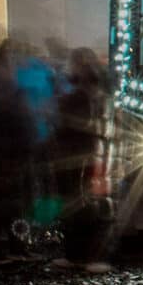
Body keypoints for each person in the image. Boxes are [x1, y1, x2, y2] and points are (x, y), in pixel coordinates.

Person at [50, 49, 114, 273]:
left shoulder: (77, 99)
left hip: (80, 157)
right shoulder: (102, 99)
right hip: (89, 156)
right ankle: (85, 255)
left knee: (85, 207)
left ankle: (84, 255)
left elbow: (66, 125)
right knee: (87, 206)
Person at [0, 48, 36, 266]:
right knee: (15, 203)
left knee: (2, 203)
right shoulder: (8, 94)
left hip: (1, 153)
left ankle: (4, 246)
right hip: (10, 153)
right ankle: (13, 246)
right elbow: (20, 122)